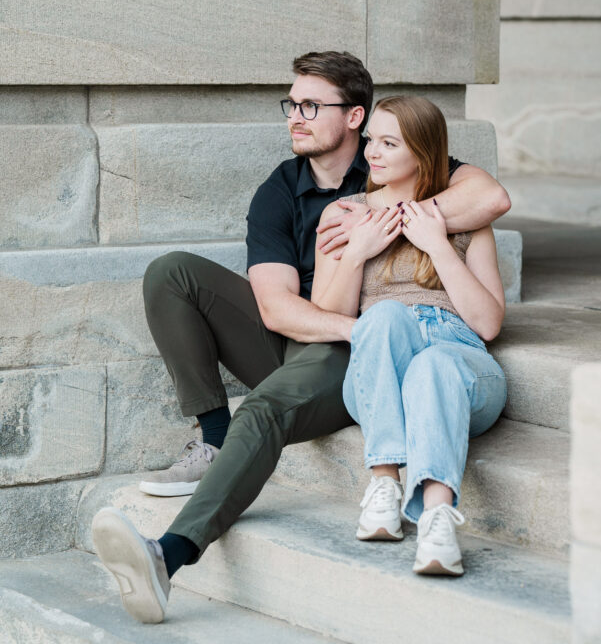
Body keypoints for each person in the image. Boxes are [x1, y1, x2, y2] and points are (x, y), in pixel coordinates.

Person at [91, 52, 511, 623]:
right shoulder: (291, 193)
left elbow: (487, 201)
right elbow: (280, 306)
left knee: (273, 406)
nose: (295, 116)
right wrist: (361, 311)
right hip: (334, 328)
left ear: (356, 116)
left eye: (311, 105)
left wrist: (408, 222)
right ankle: (213, 440)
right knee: (174, 272)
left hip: (379, 346)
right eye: (292, 104)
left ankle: (170, 554)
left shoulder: (397, 175)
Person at [311, 95, 506, 577]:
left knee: (433, 366)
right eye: (371, 140)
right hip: (381, 367)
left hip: (460, 359)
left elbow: (487, 324)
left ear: (422, 151)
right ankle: (385, 484)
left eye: (388, 143)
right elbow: (327, 314)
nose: (371, 153)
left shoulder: (459, 219)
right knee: (382, 318)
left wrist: (437, 244)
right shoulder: (345, 214)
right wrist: (357, 253)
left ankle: (437, 521)